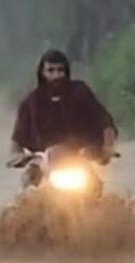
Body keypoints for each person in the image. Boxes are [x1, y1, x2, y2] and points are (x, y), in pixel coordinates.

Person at [9, 49, 118, 184]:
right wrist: (16, 156)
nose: (56, 76)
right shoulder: (31, 102)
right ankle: (29, 205)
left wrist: (108, 147)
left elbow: (105, 122)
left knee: (95, 186)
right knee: (28, 183)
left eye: (60, 70)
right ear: (42, 73)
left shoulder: (80, 93)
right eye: (51, 71)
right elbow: (17, 138)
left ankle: (104, 205)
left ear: (66, 72)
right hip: (45, 161)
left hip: (80, 156)